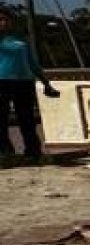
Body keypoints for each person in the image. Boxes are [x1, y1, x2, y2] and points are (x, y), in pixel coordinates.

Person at [0, 11, 59, 162]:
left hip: (24, 82)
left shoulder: (20, 39)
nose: (3, 22)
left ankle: (33, 150)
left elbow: (32, 63)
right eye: (0, 20)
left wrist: (46, 82)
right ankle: (5, 152)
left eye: (5, 19)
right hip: (2, 82)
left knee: (27, 118)